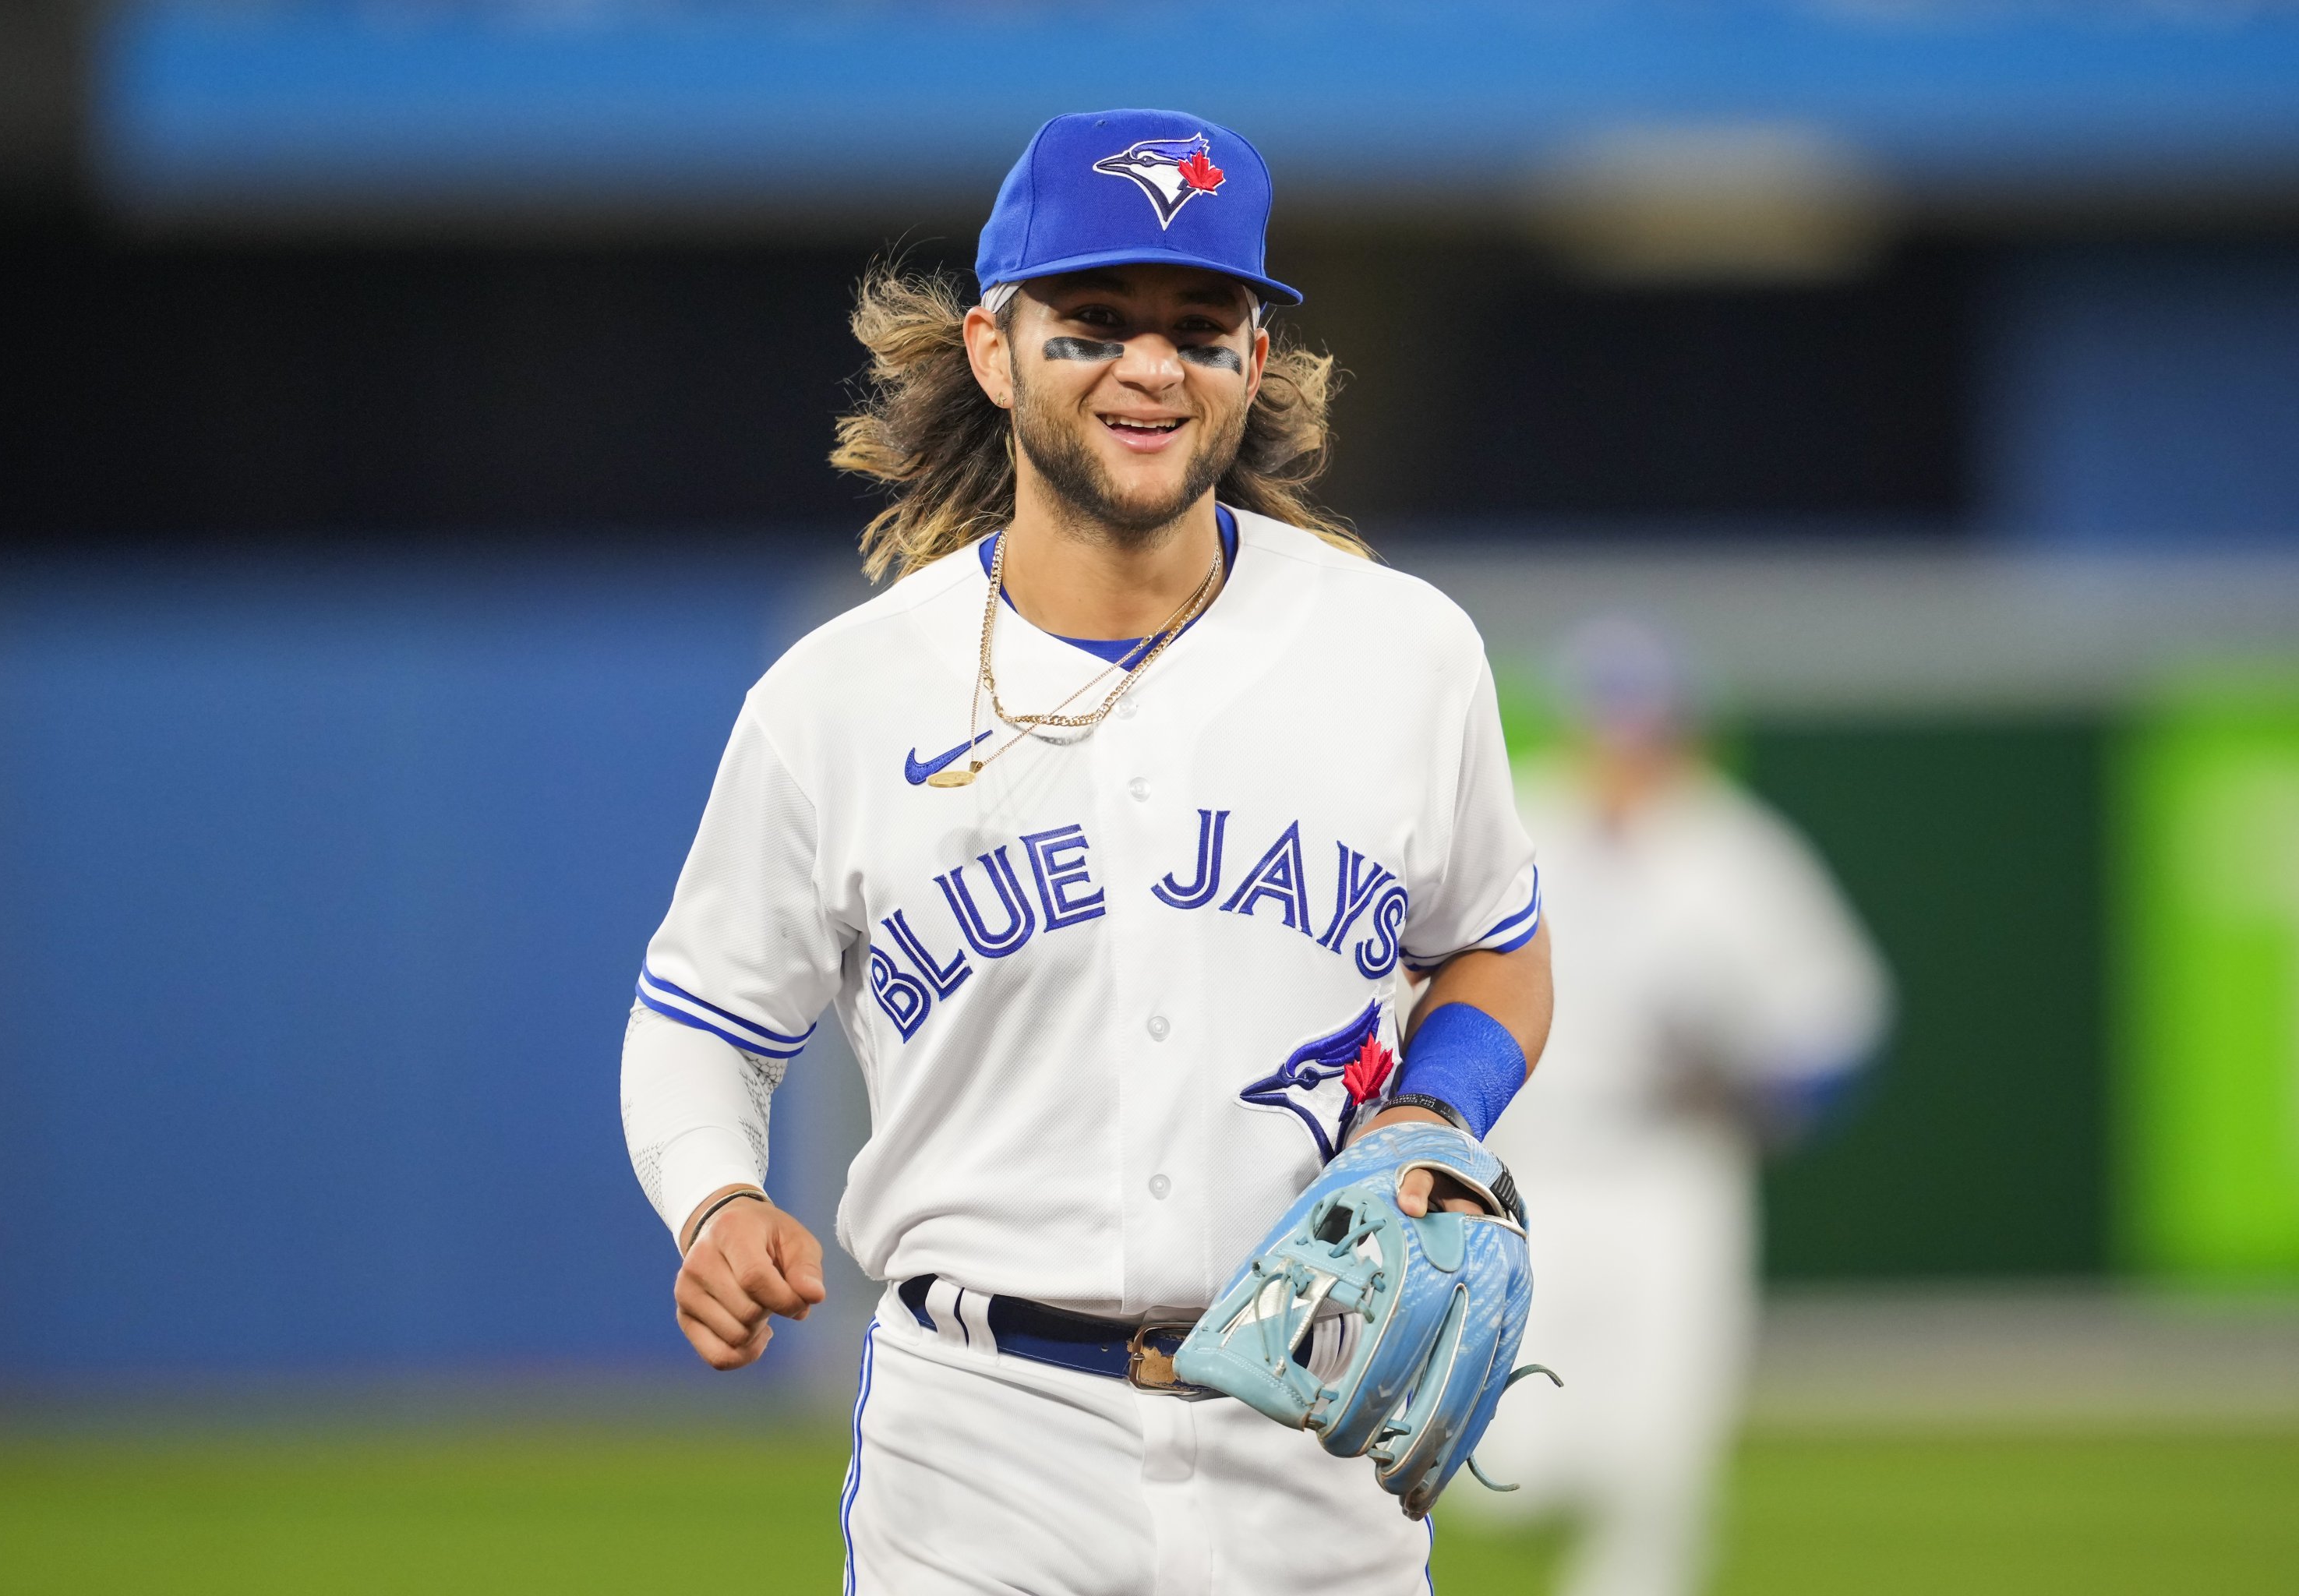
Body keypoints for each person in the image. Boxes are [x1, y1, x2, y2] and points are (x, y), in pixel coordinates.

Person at [618, 109, 1554, 1594]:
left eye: (1202, 323)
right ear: (994, 350)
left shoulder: (1403, 650)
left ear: (1254, 360)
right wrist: (716, 1197)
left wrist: (1434, 1107)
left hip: (1311, 1428)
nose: (1150, 366)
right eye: (1096, 321)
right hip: (980, 1450)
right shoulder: (838, 698)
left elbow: (1496, 942)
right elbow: (697, 1025)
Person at [1457, 620, 1892, 1596]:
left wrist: (1758, 1090)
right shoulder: (1521, 820)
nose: (1627, 746)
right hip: (1535, 1159)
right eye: (1610, 721)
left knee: (1664, 1436)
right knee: (1515, 1457)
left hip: (1672, 1167)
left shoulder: (1735, 850)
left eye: (1646, 725)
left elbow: (1840, 1014)